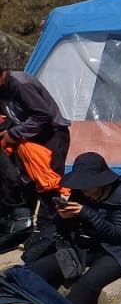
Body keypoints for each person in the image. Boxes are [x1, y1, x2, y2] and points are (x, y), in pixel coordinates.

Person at [24, 152, 121, 304]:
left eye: (88, 184)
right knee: (37, 269)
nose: (83, 189)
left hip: (118, 252)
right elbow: (67, 229)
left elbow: (118, 234)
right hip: (86, 247)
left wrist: (86, 213)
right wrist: (64, 218)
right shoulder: (80, 192)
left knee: (85, 285)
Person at [0, 67, 71, 243]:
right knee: (27, 184)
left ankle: (50, 232)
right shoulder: (3, 89)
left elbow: (42, 114)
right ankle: (25, 230)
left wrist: (13, 134)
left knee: (49, 185)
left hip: (50, 136)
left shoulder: (20, 84)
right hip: (27, 140)